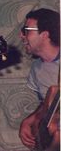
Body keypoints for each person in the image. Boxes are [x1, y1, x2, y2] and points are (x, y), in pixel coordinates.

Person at [18, 8, 60, 151]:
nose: (21, 35)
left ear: (45, 34)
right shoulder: (36, 68)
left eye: (26, 30)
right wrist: (30, 120)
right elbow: (47, 103)